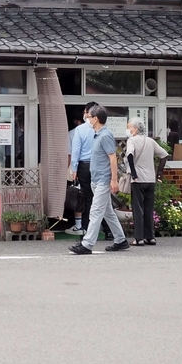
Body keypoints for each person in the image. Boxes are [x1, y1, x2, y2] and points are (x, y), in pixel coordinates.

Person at [70, 105, 130, 254]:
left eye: (89, 117)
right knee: (107, 212)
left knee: (95, 212)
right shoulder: (97, 134)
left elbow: (113, 158)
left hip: (103, 180)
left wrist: (114, 180)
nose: (87, 119)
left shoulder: (105, 135)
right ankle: (121, 240)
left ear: (95, 119)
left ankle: (87, 244)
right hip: (97, 180)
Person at [124, 116, 170, 246]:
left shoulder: (131, 141)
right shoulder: (150, 141)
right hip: (151, 179)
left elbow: (130, 154)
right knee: (149, 208)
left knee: (138, 209)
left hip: (138, 180)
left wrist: (133, 173)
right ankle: (150, 237)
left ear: (134, 129)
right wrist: (159, 173)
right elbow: (164, 155)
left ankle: (139, 238)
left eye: (128, 127)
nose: (127, 130)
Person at [66, 103, 96, 235]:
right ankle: (105, 229)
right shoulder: (100, 129)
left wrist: (73, 169)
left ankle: (83, 227)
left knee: (82, 196)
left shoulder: (77, 131)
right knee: (99, 198)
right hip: (98, 166)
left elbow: (73, 153)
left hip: (82, 166)